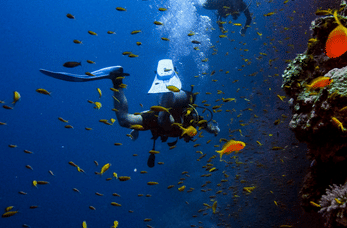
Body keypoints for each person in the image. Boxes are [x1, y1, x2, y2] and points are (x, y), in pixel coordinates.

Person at [40, 61, 220, 167]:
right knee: (164, 119)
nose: (191, 137)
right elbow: (202, 122)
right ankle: (168, 90)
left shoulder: (180, 123)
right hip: (167, 118)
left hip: (159, 118)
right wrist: (212, 129)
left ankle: (117, 79)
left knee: (124, 120)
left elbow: (153, 114)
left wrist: (136, 127)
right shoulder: (192, 120)